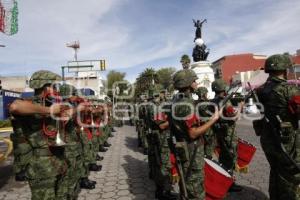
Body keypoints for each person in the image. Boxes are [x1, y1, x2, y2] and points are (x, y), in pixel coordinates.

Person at [9, 70, 71, 199]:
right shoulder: (29, 103)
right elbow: (15, 107)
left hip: (59, 161)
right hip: (41, 167)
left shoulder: (54, 104)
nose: (57, 90)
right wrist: (49, 110)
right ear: (45, 87)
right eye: (54, 86)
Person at [255, 54, 300, 200]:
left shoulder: (260, 90)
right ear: (285, 70)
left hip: (268, 137)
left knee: (275, 170)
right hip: (286, 140)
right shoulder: (289, 89)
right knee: (290, 175)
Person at [170, 69, 220, 199]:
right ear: (187, 83)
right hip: (191, 151)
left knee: (186, 186)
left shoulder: (178, 100)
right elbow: (192, 134)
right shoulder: (185, 104)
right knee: (195, 190)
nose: (196, 82)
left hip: (185, 149)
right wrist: (212, 120)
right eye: (194, 80)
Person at [211, 79, 243, 192]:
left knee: (223, 157)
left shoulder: (212, 101)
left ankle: (224, 180)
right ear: (223, 89)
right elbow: (234, 117)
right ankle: (229, 184)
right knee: (230, 158)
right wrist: (240, 107)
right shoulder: (226, 102)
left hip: (219, 133)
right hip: (228, 133)